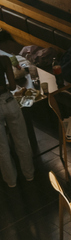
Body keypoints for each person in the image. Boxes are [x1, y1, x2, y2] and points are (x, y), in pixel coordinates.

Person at [0, 54, 34, 188]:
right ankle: (29, 175)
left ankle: (11, 181)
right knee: (21, 140)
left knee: (2, 148)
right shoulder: (3, 60)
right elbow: (13, 86)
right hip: (8, 102)